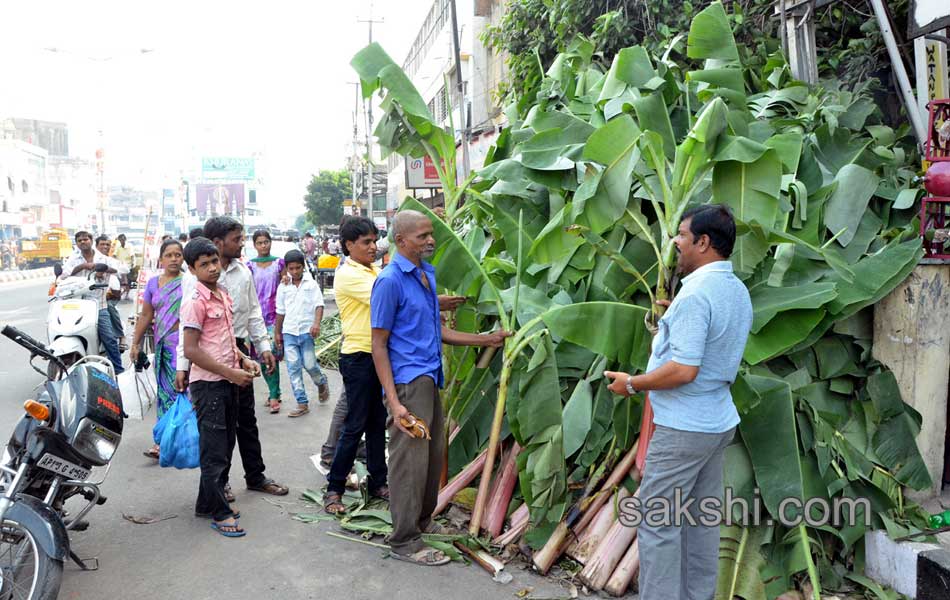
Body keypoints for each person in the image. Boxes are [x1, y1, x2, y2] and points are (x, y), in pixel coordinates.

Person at [603, 204, 752, 600]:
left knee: (659, 523)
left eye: (682, 237)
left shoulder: (697, 295)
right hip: (716, 423)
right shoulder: (734, 290)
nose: (677, 245)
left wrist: (633, 383)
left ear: (703, 243)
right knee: (699, 521)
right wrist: (677, 318)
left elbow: (684, 369)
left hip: (684, 428)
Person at [370, 210, 509, 565]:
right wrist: (394, 401)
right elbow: (379, 344)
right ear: (401, 242)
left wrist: (486, 339)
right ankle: (404, 541)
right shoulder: (390, 281)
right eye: (421, 236)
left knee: (431, 460)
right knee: (409, 463)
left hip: (431, 375)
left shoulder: (425, 275)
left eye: (431, 234)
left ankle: (421, 523)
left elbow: (438, 331)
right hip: (407, 382)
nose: (430, 240)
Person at [175, 216, 289, 499]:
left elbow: (252, 312)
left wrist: (263, 347)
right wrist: (182, 366)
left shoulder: (243, 272)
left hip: (237, 349)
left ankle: (256, 475)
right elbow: (187, 330)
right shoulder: (195, 281)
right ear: (218, 242)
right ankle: (219, 486)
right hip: (207, 355)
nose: (241, 244)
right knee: (217, 428)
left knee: (246, 420)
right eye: (237, 239)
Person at [180, 237, 260, 538]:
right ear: (192, 269)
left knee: (224, 446)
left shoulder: (222, 294)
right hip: (209, 385)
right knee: (214, 451)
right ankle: (219, 511)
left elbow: (225, 340)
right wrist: (229, 372)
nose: (213, 268)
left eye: (214, 261)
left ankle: (206, 502)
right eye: (204, 265)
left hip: (228, 379)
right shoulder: (195, 301)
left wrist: (243, 359)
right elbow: (191, 349)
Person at [130, 239, 184, 460]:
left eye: (178, 254)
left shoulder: (189, 282)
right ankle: (162, 441)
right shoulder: (153, 284)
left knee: (183, 393)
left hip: (185, 348)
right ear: (161, 259)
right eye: (169, 255)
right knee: (164, 394)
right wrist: (135, 343)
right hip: (162, 347)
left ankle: (183, 440)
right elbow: (146, 315)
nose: (173, 259)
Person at [274, 250, 330, 418]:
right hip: (289, 333)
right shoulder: (283, 286)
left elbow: (319, 305)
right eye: (291, 268)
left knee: (310, 364)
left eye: (298, 268)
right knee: (293, 368)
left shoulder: (311, 284)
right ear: (287, 268)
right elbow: (280, 311)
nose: (295, 272)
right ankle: (302, 402)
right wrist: (277, 333)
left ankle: (321, 382)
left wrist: (316, 324)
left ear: (303, 266)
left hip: (306, 332)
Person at [61, 231, 124, 374]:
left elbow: (117, 270)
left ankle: (119, 370)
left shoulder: (102, 257)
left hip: (98, 306)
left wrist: (102, 269)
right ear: (76, 243)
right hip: (77, 306)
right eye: (80, 240)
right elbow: (65, 275)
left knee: (109, 338)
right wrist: (83, 266)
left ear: (91, 240)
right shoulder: (73, 258)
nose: (83, 242)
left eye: (85, 239)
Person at [247, 230, 286, 413]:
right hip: (256, 317)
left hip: (274, 316)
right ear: (255, 245)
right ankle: (274, 392)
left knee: (272, 355)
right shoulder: (249, 266)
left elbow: (287, 283)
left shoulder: (279, 263)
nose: (263, 245)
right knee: (261, 357)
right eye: (260, 243)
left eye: (266, 242)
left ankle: (273, 395)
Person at [96, 235, 127, 353]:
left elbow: (125, 269)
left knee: (108, 307)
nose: (105, 247)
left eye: (107, 244)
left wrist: (112, 269)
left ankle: (121, 336)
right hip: (89, 297)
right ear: (96, 246)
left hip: (109, 296)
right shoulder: (87, 260)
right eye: (102, 244)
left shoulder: (111, 261)